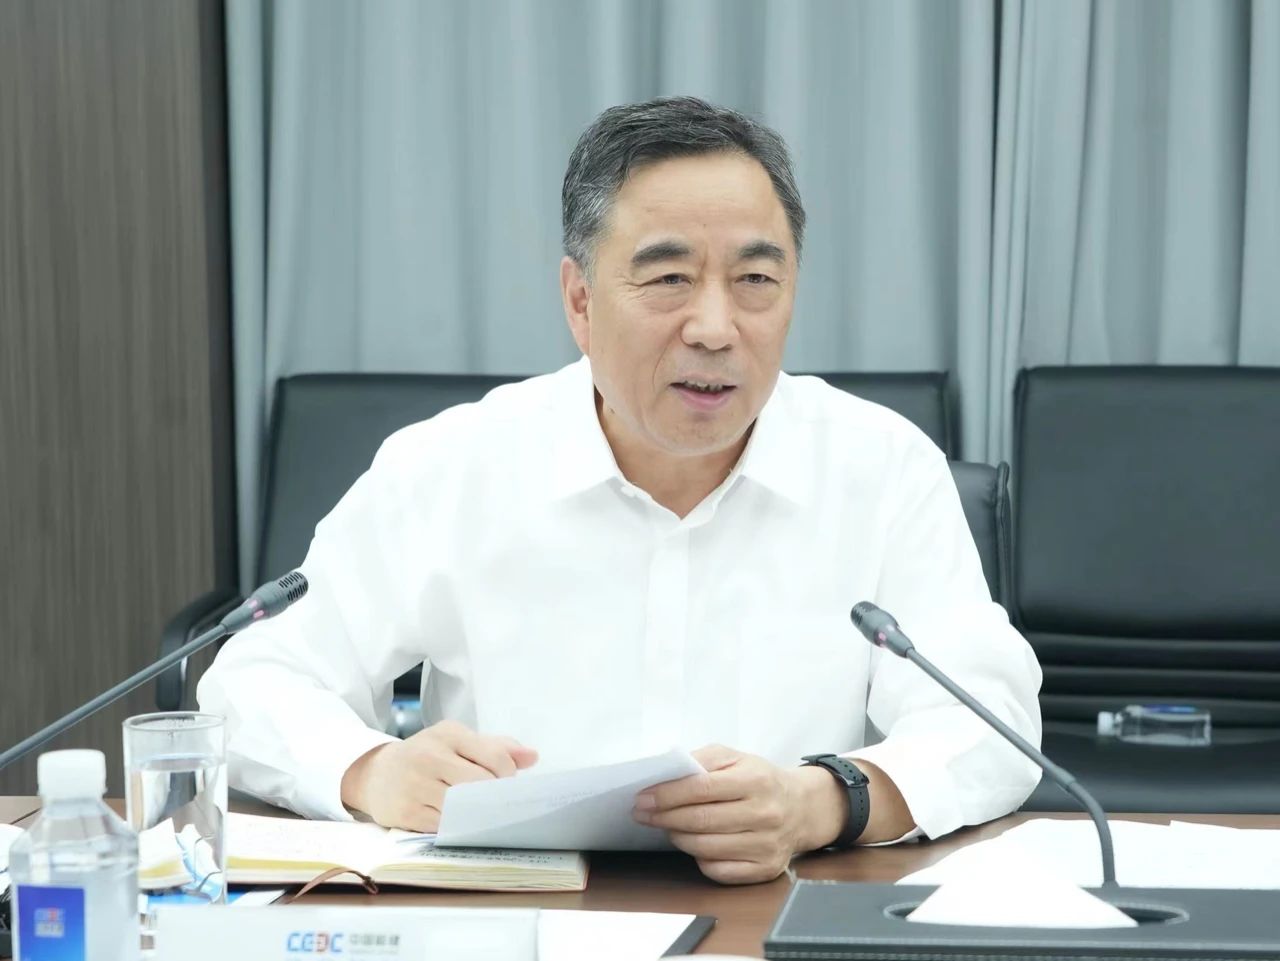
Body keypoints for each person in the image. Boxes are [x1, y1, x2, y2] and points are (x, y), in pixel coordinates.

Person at [199, 96, 1042, 885]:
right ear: (580, 300)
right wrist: (372, 770)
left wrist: (822, 801)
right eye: (669, 278)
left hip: (778, 909)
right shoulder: (451, 467)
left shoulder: (882, 468)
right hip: (515, 912)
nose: (714, 328)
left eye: (755, 280)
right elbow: (251, 681)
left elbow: (991, 721)